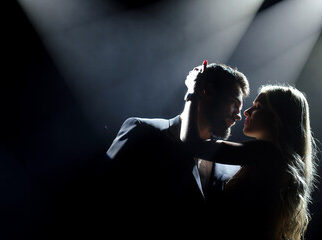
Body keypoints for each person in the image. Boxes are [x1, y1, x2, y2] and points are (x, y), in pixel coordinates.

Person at [102, 60, 250, 239]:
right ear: (206, 91)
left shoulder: (227, 166)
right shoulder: (143, 130)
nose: (238, 115)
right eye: (234, 103)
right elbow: (104, 194)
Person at [182, 81, 318, 240]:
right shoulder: (280, 160)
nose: (246, 112)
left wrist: (193, 92)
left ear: (277, 118)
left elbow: (193, 145)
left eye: (258, 107)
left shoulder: (268, 154)